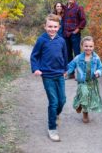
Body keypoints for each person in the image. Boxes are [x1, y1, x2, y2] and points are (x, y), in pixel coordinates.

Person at [30, 14, 68, 142]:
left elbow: (64, 56)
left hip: (59, 74)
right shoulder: (41, 40)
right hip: (47, 75)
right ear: (45, 26)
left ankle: (56, 114)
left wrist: (65, 69)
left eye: (55, 27)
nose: (52, 29)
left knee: (62, 100)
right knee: (53, 102)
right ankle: (52, 128)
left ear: (59, 27)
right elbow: (34, 56)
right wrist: (36, 68)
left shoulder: (61, 41)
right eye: (50, 26)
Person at [65, 36, 102, 123]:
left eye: (90, 46)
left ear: (93, 47)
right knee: (84, 94)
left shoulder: (96, 58)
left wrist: (98, 72)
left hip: (92, 82)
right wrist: (66, 72)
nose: (88, 48)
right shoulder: (78, 58)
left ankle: (82, 106)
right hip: (82, 82)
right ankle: (84, 112)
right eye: (86, 46)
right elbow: (71, 65)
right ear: (82, 46)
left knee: (90, 98)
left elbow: (100, 68)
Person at [63, 0, 86, 64]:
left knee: (77, 54)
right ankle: (71, 73)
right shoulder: (65, 8)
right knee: (68, 54)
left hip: (74, 34)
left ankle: (80, 72)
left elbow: (83, 20)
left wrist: (77, 30)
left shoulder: (79, 8)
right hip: (66, 34)